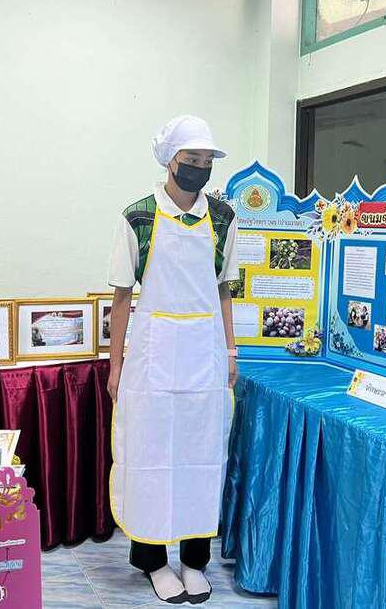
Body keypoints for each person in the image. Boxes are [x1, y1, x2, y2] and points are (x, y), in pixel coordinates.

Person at [106, 115, 240, 604]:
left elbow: (224, 290)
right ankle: (154, 562)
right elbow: (122, 297)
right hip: (152, 357)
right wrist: (115, 365)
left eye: (207, 160)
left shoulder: (223, 217)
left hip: (204, 354)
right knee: (151, 456)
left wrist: (230, 350)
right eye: (191, 159)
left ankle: (194, 561)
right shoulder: (138, 217)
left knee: (200, 456)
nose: (200, 167)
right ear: (170, 161)